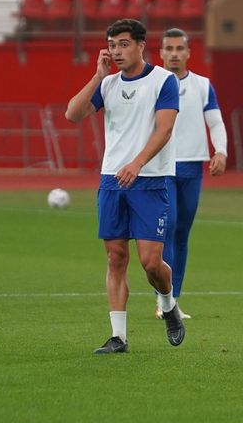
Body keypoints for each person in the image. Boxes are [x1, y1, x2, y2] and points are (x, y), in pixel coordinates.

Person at [64, 18, 185, 354]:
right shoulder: (108, 84)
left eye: (123, 44)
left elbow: (164, 130)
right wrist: (98, 77)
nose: (117, 51)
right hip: (112, 183)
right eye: (112, 45)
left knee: (150, 263)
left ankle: (168, 303)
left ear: (141, 46)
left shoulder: (163, 81)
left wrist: (137, 162)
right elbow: (72, 114)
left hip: (149, 181)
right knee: (115, 258)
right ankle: (119, 337)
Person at [154, 27, 228, 321]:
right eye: (168, 49)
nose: (174, 54)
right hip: (162, 166)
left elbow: (216, 122)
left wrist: (220, 150)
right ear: (160, 53)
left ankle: (175, 299)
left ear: (188, 53)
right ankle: (163, 300)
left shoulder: (202, 85)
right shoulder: (153, 83)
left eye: (179, 49)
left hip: (192, 167)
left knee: (182, 233)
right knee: (168, 228)